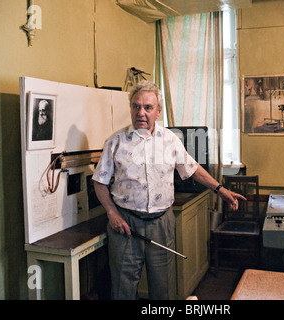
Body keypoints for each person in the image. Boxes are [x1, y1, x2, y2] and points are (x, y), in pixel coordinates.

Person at [92, 81, 246, 300]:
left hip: (161, 224)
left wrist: (220, 189)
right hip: (125, 225)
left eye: (148, 107)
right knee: (122, 289)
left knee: (162, 289)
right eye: (136, 106)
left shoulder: (170, 140)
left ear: (158, 111)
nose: (141, 113)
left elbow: (192, 169)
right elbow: (100, 181)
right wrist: (111, 212)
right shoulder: (115, 142)